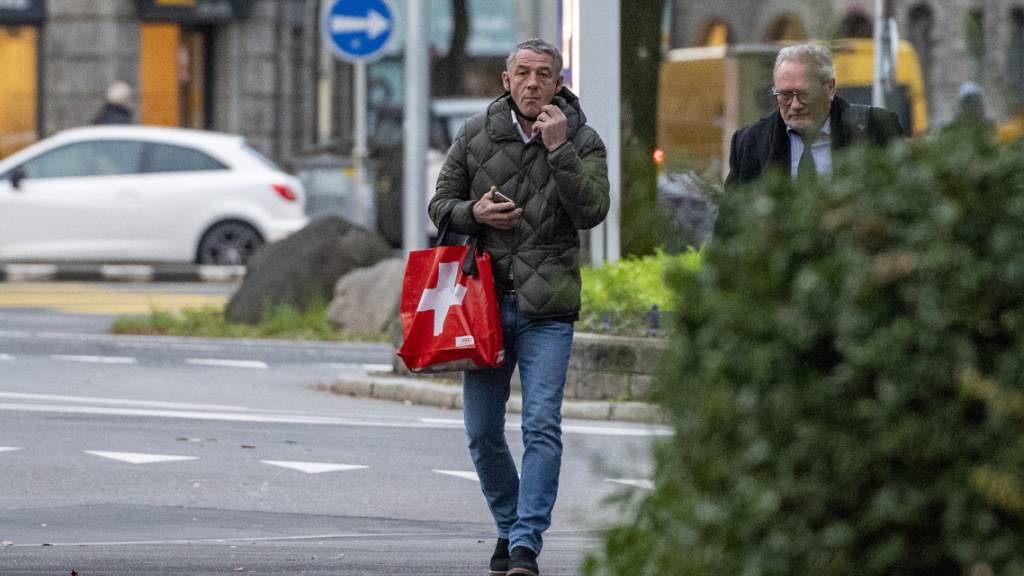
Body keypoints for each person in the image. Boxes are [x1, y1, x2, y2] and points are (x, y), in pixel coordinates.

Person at [428, 38, 609, 576]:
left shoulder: (583, 139)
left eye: (544, 74)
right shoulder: (475, 134)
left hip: (546, 308)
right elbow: (439, 204)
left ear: (559, 82)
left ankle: (526, 544)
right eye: (523, 73)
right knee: (482, 431)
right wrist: (473, 212)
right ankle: (509, 525)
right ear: (506, 80)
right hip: (480, 304)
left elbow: (593, 210)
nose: (533, 83)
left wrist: (560, 151)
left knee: (540, 426)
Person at [725, 43, 903, 188]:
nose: (795, 105)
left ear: (830, 88)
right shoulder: (750, 143)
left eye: (805, 94)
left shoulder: (877, 129)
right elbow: (730, 223)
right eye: (785, 95)